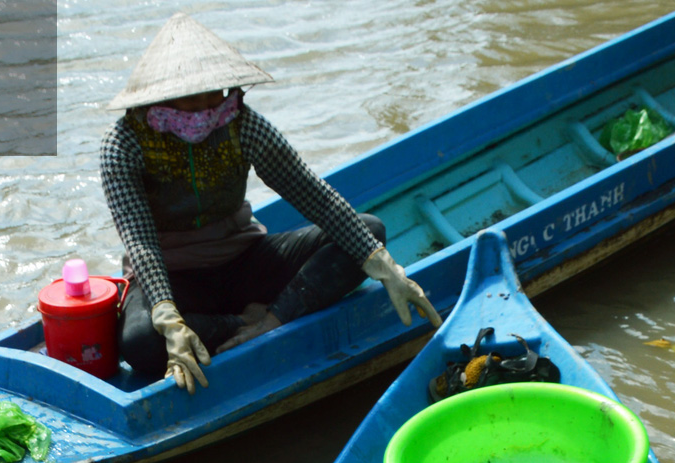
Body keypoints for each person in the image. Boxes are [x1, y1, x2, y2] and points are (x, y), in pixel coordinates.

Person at [101, 13, 440, 391]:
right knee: (141, 342)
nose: (208, 107)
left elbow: (312, 194)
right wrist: (167, 315)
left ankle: (273, 320)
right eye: (192, 98)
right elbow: (140, 241)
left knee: (369, 230)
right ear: (161, 97)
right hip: (173, 275)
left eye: (215, 92)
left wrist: (382, 264)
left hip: (244, 260)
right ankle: (237, 324)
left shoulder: (241, 123)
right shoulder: (124, 145)